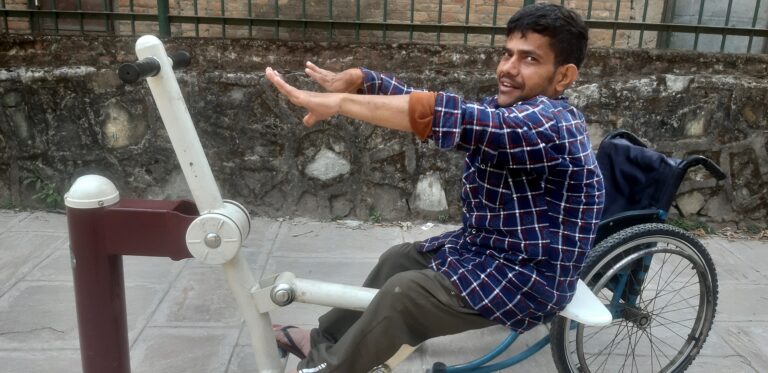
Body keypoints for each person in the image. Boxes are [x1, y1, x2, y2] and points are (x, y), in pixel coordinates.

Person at [265, 3, 605, 372]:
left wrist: (342, 103)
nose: (508, 67)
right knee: (398, 259)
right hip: (485, 252)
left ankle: (330, 367)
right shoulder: (511, 110)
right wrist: (364, 80)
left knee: (405, 295)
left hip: (527, 279)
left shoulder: (549, 123)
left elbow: (454, 117)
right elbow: (442, 108)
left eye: (529, 59)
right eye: (507, 54)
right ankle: (324, 343)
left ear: (564, 76)